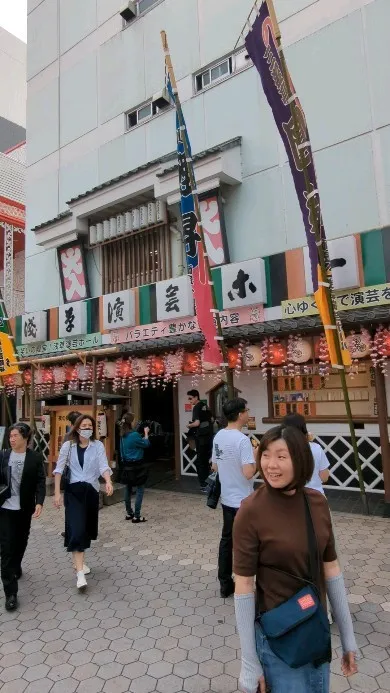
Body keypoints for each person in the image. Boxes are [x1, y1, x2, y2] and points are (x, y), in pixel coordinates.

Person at [233, 424, 358, 693]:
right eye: (265, 454)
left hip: (315, 631)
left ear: (300, 459)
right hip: (278, 639)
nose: (270, 464)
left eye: (281, 456)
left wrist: (348, 638)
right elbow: (243, 585)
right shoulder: (250, 510)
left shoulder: (317, 503)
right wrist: (249, 662)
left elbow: (332, 568)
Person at [53, 415, 113, 590]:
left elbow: (103, 466)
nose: (87, 428)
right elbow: (58, 470)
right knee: (77, 528)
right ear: (77, 428)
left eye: (90, 425)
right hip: (73, 492)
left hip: (91, 492)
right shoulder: (68, 446)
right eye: (84, 425)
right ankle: (80, 574)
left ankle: (79, 563)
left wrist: (108, 481)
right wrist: (57, 494)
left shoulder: (98, 446)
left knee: (85, 529)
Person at [211, 398, 256, 599]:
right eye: (246, 410)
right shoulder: (242, 440)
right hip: (244, 500)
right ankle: (245, 583)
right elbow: (248, 473)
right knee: (247, 542)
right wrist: (257, 455)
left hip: (226, 497)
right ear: (239, 414)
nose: (248, 413)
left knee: (226, 540)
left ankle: (224, 583)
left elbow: (214, 466)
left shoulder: (219, 436)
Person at [0, 423, 46, 611]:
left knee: (21, 542)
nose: (11, 439)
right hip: (5, 508)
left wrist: (39, 501)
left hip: (24, 507)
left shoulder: (34, 458)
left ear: (25, 438)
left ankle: (16, 566)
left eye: (15, 436)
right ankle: (11, 593)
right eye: (10, 436)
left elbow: (41, 481)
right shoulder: (3, 456)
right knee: (7, 548)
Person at [282, 413, 330, 493]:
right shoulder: (316, 448)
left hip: (288, 497)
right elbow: (324, 477)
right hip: (314, 496)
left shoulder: (279, 449)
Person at [119, 412, 150, 523]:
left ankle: (129, 513)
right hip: (137, 465)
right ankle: (137, 516)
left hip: (126, 465)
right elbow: (146, 444)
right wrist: (146, 433)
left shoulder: (123, 435)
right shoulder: (134, 435)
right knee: (140, 490)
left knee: (127, 489)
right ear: (131, 422)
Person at [60, 411, 82, 538]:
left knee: (70, 504)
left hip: (71, 474)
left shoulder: (68, 436)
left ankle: (70, 530)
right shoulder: (86, 436)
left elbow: (63, 457)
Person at [187, 390, 213, 492]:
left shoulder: (197, 407)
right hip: (209, 437)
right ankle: (209, 483)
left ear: (196, 397)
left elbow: (197, 423)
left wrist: (190, 425)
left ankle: (204, 484)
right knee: (206, 461)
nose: (189, 401)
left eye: (190, 398)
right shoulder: (205, 406)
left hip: (201, 437)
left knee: (200, 462)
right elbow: (211, 419)